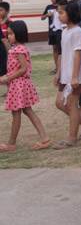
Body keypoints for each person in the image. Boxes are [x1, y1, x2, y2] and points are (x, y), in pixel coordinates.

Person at [0, 21, 50, 152]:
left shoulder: (19, 49)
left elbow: (23, 69)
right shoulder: (15, 49)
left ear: (19, 34)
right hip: (17, 84)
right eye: (8, 33)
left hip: (19, 85)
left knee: (17, 113)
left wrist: (7, 78)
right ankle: (45, 138)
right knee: (27, 111)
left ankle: (11, 144)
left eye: (11, 33)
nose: (8, 36)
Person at [52, 0, 81, 149]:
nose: (58, 15)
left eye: (61, 12)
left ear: (70, 14)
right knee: (60, 103)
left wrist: (75, 76)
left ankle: (72, 138)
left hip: (76, 75)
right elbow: (63, 54)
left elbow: (77, 54)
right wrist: (58, 73)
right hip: (66, 74)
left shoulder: (77, 31)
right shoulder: (65, 31)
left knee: (71, 104)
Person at [42, 0, 61, 74]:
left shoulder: (61, 6)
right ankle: (57, 68)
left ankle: (62, 67)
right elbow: (42, 18)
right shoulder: (49, 7)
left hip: (60, 31)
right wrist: (47, 15)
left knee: (62, 49)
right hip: (52, 32)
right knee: (55, 49)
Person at [0, 1, 12, 87]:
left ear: (7, 11)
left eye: (1, 10)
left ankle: (10, 89)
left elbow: (9, 39)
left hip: (6, 50)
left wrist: (9, 51)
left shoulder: (9, 23)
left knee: (8, 70)